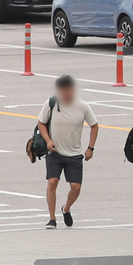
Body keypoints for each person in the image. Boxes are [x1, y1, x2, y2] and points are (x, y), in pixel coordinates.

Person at [37, 75, 99, 229]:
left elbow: (95, 125)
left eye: (69, 90)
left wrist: (90, 147)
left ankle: (66, 208)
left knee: (76, 187)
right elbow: (41, 123)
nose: (67, 93)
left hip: (74, 153)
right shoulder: (51, 103)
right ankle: (52, 218)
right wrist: (48, 140)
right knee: (52, 182)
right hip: (54, 152)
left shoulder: (82, 106)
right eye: (63, 90)